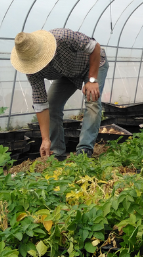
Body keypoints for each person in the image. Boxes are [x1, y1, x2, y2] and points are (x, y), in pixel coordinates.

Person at [10, 28, 109, 160]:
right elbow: (40, 102)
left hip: (92, 64)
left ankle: (84, 151)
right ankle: (56, 152)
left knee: (92, 100)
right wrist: (45, 139)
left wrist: (92, 80)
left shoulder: (63, 37)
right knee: (52, 105)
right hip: (68, 74)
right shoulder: (32, 69)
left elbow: (95, 47)